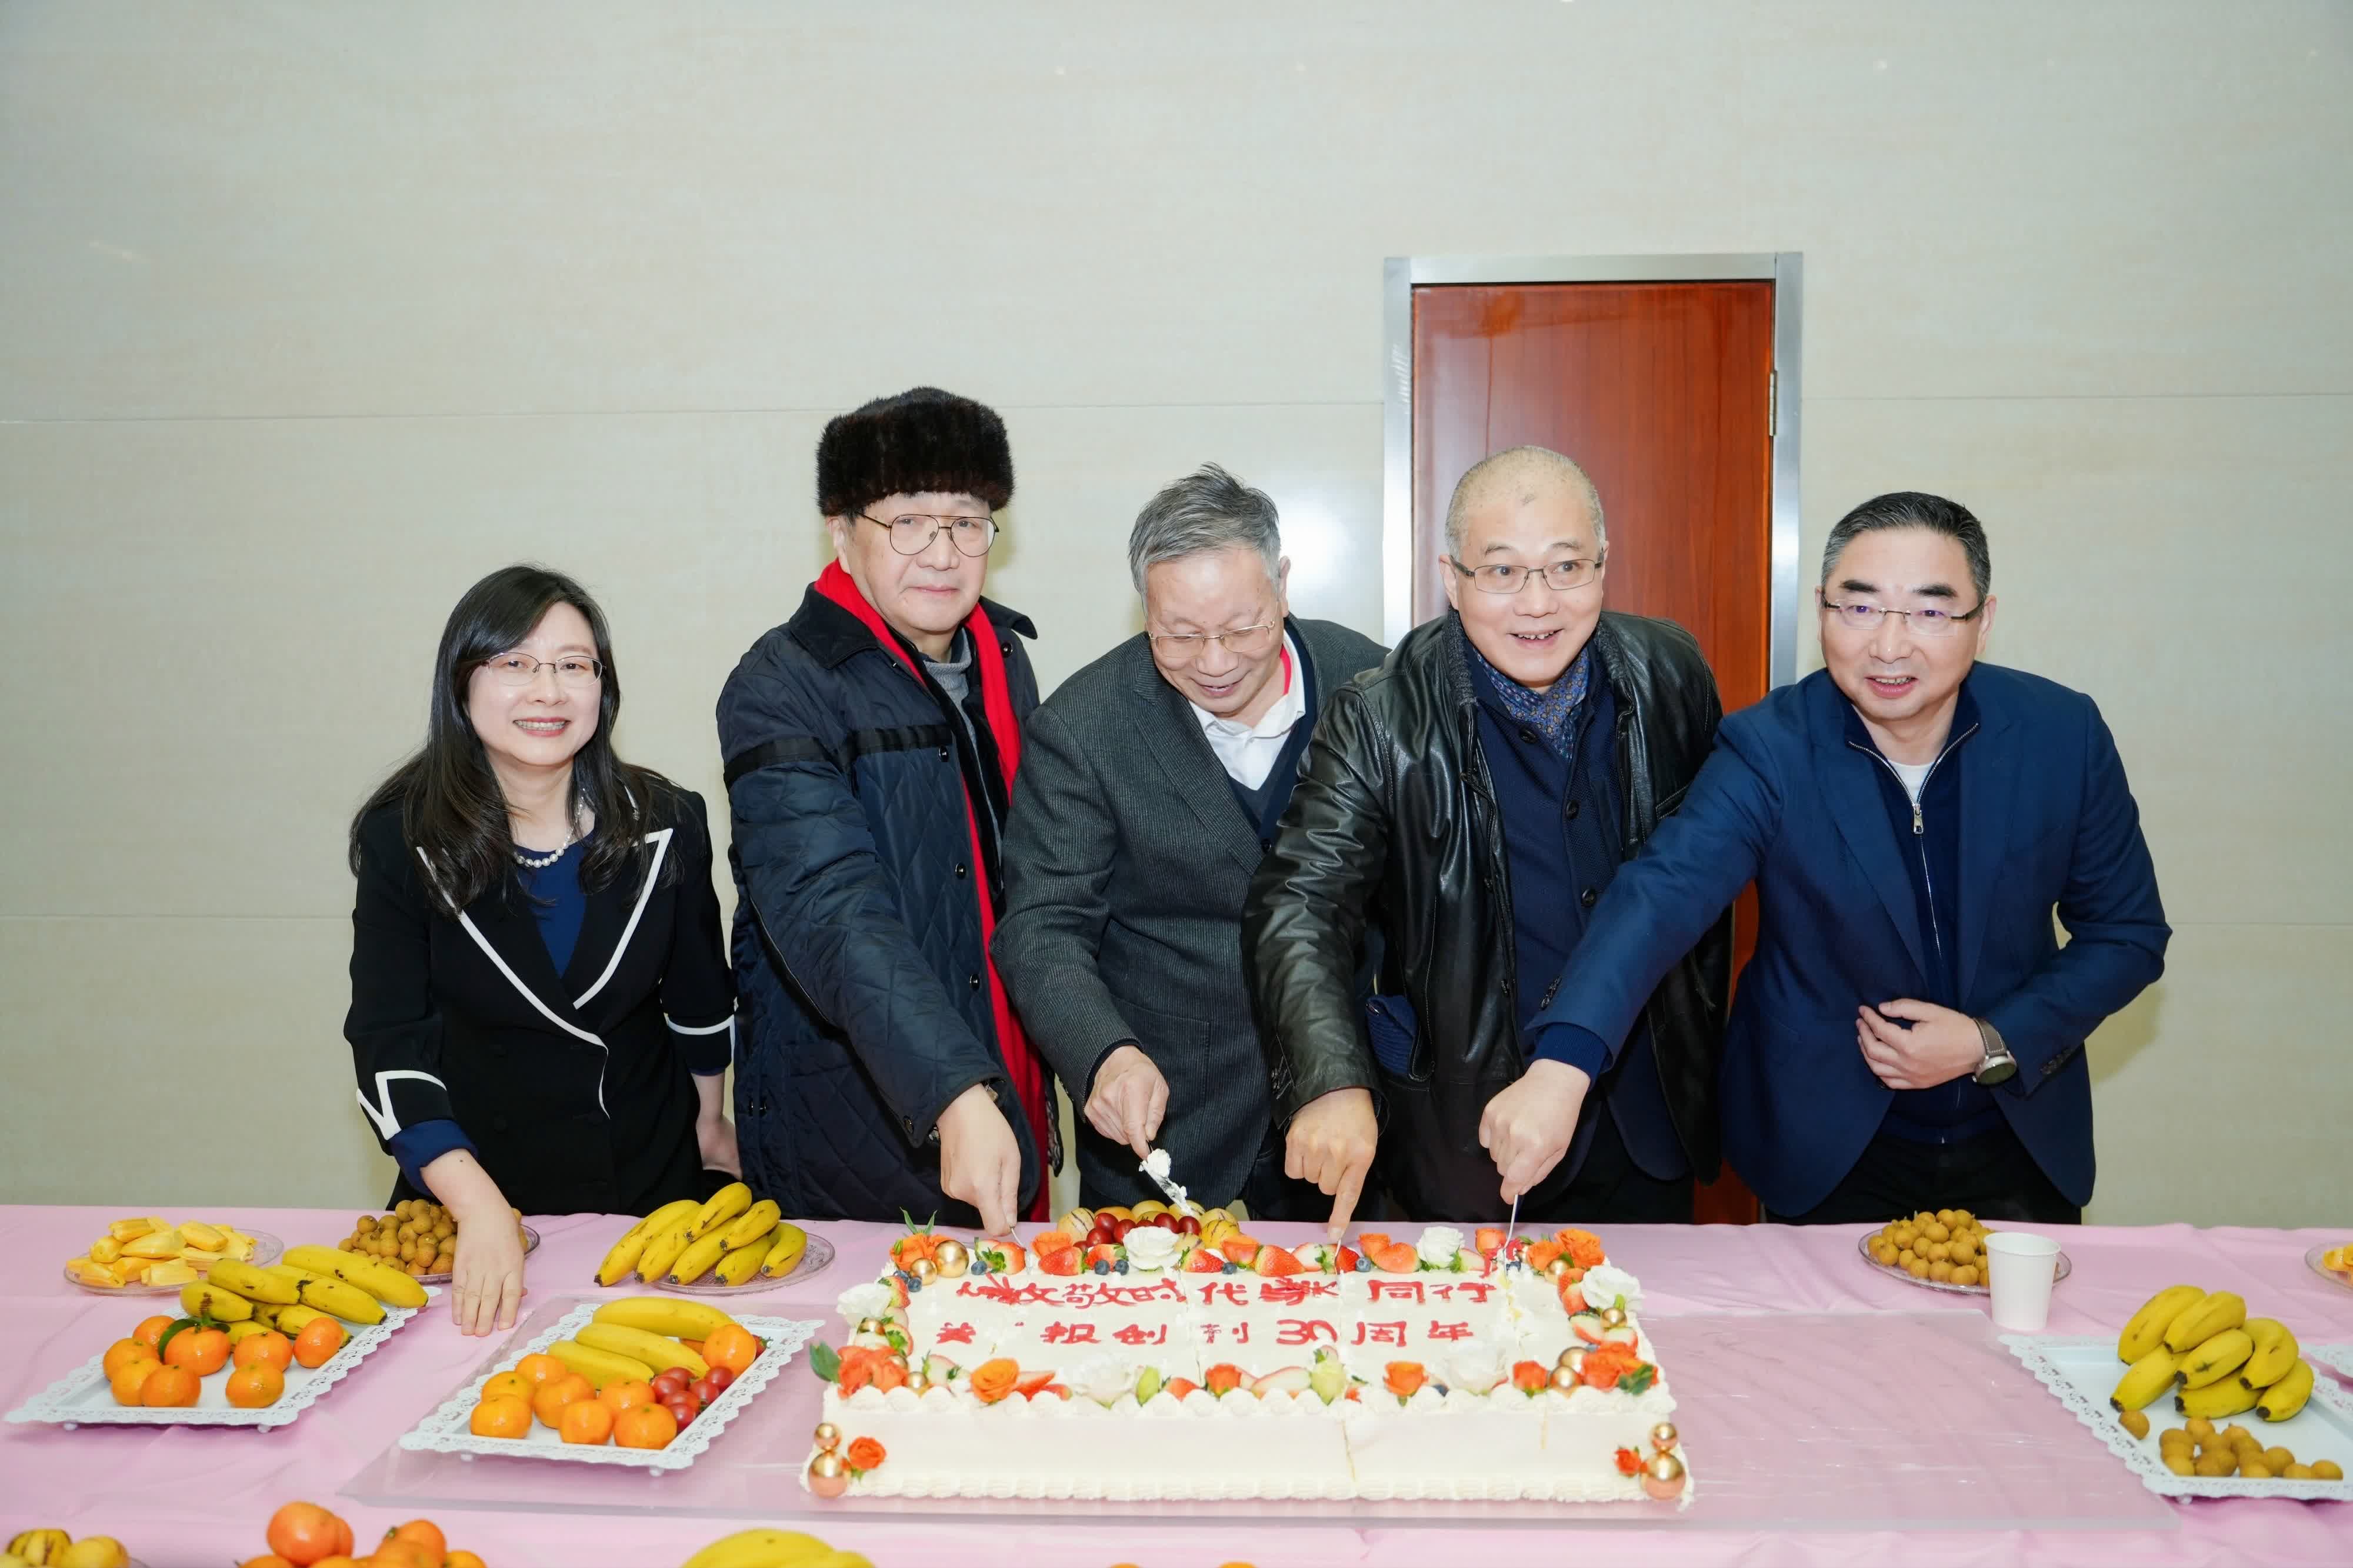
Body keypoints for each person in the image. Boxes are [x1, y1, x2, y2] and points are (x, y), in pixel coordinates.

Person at [1524, 492, 2168, 1223]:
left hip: (2017, 1134)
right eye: (1859, 607)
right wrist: (1564, 1061)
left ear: (1982, 620)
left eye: (1929, 611)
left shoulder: (2060, 734)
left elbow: (2125, 935)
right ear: (1822, 610)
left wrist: (1987, 1040)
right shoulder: (1770, 747)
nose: (1888, 645)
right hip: (1829, 1148)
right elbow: (1661, 895)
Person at [1247, 446, 1731, 1236]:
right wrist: (1329, 1078)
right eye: (1502, 571)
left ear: (1604, 564)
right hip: (1467, 1133)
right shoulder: (1380, 716)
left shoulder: (1670, 673)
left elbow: (1704, 874)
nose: (1537, 604)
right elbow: (1299, 905)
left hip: (1648, 1120)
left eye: (1566, 566)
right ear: (1452, 576)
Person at [346, 565, 738, 1336]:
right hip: (473, 1189)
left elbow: (699, 998)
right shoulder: (402, 835)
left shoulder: (667, 820)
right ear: (462, 682)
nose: (548, 691)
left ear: (603, 685)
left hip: (647, 1186)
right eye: (515, 663)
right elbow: (390, 1044)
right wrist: (477, 1203)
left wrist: (711, 1121)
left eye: (573, 665)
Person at [994, 466, 1385, 1215]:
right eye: (1178, 634)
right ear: (1143, 607)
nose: (1214, 662)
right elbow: (1043, 927)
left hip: (1345, 1101)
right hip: (1163, 1109)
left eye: (1240, 628)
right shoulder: (1085, 726)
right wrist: (1104, 1053)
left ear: (1282, 586)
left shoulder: (1372, 685)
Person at [719, 386, 1048, 1236]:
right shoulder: (780, 684)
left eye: (966, 522)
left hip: (1001, 1075)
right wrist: (951, 1088)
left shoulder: (1000, 655)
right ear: (841, 531)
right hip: (859, 1117)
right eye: (907, 522)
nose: (942, 552)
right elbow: (830, 910)